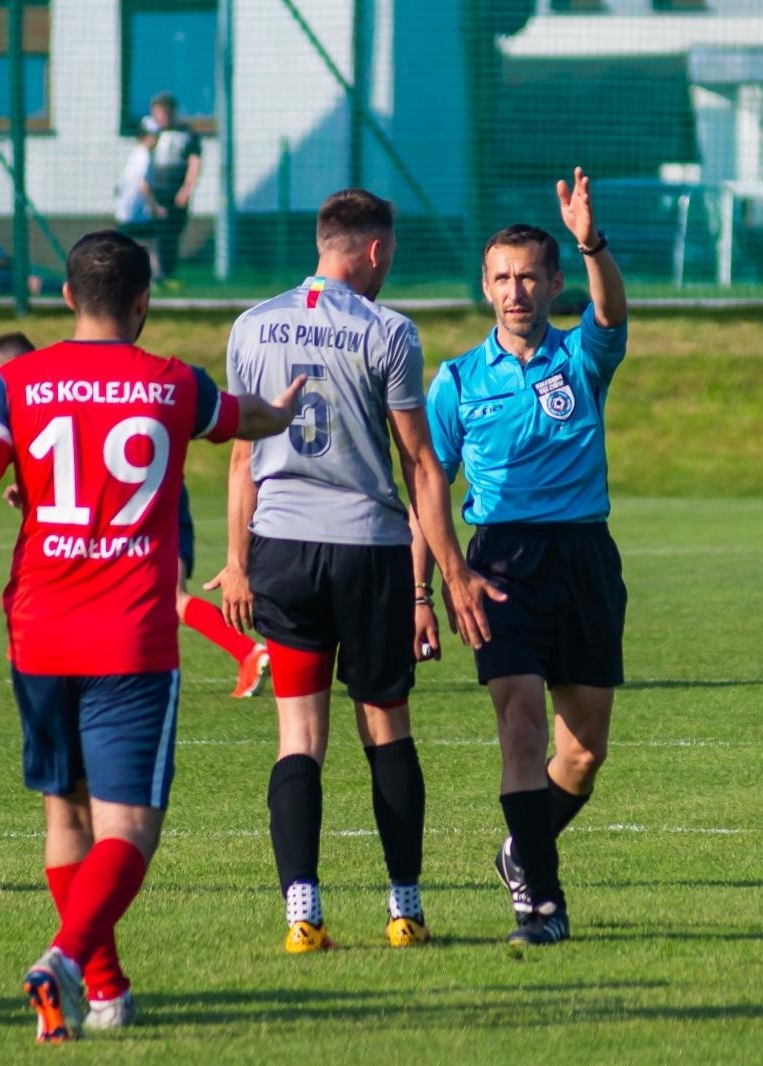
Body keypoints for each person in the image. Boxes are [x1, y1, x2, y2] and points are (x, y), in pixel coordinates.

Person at [0, 230, 302, 1043]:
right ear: (145, 304)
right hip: (130, 640)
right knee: (130, 828)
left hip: (38, 631)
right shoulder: (171, 384)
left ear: (68, 298)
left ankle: (103, 992)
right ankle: (67, 962)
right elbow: (241, 417)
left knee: (65, 816)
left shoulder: (17, 384)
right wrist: (280, 411)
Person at [213, 188, 498, 954]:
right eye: (390, 256)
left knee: (298, 738)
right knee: (385, 729)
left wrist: (237, 561)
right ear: (374, 251)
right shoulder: (389, 331)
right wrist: (451, 573)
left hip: (280, 546)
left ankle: (301, 917)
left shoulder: (250, 325)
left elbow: (242, 454)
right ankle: (404, 911)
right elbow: (421, 467)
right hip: (367, 551)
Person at [425, 167, 629, 948]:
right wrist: (429, 586)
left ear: (551, 286)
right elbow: (429, 488)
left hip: (583, 557)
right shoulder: (456, 381)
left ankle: (520, 851)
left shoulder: (582, 359)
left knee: (582, 753)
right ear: (486, 285)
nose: (515, 291)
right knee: (518, 723)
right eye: (502, 278)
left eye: (529, 278)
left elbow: (610, 308)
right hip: (497, 562)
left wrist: (590, 243)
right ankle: (539, 904)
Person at [0, 332, 272, 697]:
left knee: (169, 597)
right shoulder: (47, 392)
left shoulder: (54, 387)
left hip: (151, 499)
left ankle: (248, 651)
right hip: (133, 501)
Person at [138, 92, 201, 287]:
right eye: (156, 114)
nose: (161, 118)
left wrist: (187, 188)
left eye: (163, 113)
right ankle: (158, 275)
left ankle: (169, 273)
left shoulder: (186, 134)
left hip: (176, 191)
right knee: (157, 234)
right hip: (156, 192)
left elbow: (194, 162)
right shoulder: (153, 134)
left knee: (173, 233)